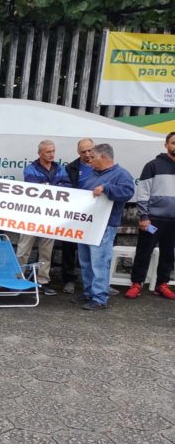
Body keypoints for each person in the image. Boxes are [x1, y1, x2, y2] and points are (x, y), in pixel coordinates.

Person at [72, 143, 135, 311]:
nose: (89, 161)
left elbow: (128, 192)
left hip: (104, 225)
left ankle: (99, 297)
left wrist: (107, 188)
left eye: (93, 158)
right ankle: (88, 292)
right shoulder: (92, 174)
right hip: (87, 224)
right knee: (85, 260)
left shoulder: (121, 174)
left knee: (99, 262)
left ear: (104, 157)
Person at [16, 140, 71, 296]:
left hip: (51, 216)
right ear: (40, 153)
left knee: (46, 251)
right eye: (48, 152)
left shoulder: (60, 168)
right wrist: (54, 186)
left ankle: (42, 281)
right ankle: (18, 280)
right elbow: (35, 188)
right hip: (31, 215)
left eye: (53, 151)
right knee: (23, 250)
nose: (52, 154)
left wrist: (49, 186)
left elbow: (67, 187)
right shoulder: (30, 169)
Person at [125, 131, 175, 300]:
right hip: (153, 220)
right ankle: (137, 284)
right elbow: (143, 193)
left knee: (168, 254)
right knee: (144, 252)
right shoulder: (153, 165)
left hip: (173, 222)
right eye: (173, 142)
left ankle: (162, 284)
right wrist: (144, 217)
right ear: (166, 145)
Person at [62, 139, 94, 294]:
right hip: (74, 214)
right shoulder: (71, 168)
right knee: (69, 248)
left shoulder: (103, 165)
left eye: (90, 150)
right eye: (83, 152)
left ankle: (97, 282)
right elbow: (65, 187)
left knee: (95, 249)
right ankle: (68, 280)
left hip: (96, 216)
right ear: (78, 152)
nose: (87, 154)